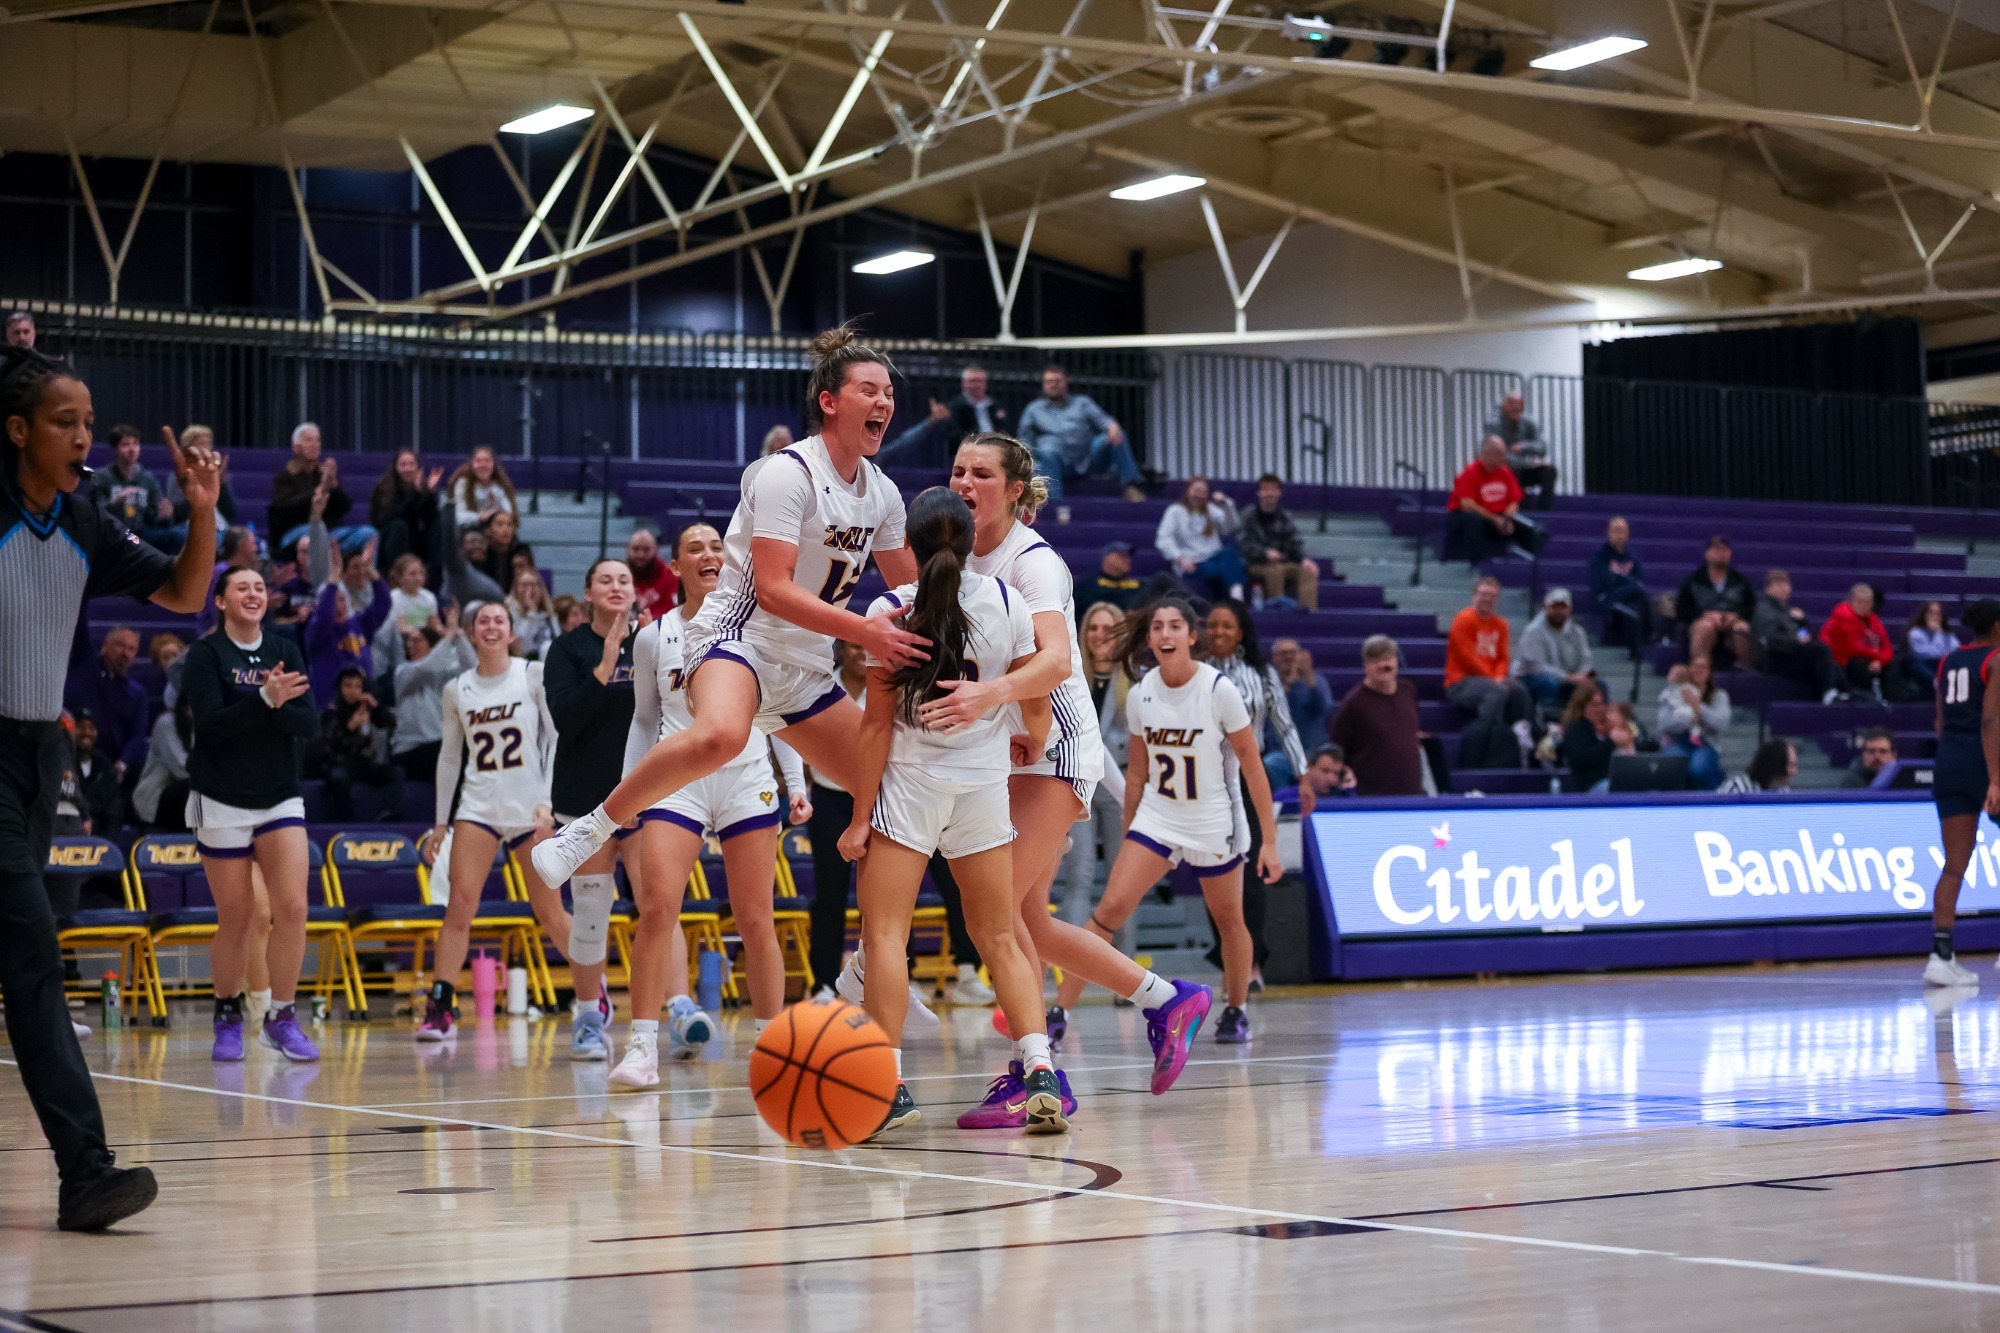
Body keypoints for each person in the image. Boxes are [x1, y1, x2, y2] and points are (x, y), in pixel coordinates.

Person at [1, 348, 222, 1229]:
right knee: (34, 960)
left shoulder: (85, 521)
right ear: (17, 430)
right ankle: (85, 1172)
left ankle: (85, 1173)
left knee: (27, 960)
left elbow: (185, 588)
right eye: (65, 421)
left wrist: (201, 511)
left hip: (36, 758)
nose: (84, 435)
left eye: (89, 421)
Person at [932, 432, 1215, 1098]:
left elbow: (1057, 661)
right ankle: (1166, 999)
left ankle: (1038, 1074)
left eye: (980, 473)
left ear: (1014, 490)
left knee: (990, 914)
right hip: (1008, 749)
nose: (964, 481)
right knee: (1027, 922)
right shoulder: (957, 558)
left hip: (1054, 746)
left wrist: (987, 695)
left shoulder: (1035, 561)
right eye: (957, 470)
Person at [839, 487, 1067, 1133]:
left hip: (912, 789)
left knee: (886, 935)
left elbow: (875, 728)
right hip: (982, 786)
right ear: (971, 542)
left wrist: (859, 816)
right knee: (999, 935)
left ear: (907, 546)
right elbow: (1038, 693)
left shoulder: (890, 610)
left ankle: (889, 1087)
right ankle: (1041, 1069)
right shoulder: (1006, 599)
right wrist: (1033, 736)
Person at [611, 523, 810, 1085]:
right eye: (694, 546)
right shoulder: (654, 637)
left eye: (717, 546)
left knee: (755, 919)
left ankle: (772, 1047)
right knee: (656, 910)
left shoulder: (759, 629)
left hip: (747, 777)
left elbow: (779, 714)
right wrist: (629, 792)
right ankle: (642, 1047)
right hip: (680, 781)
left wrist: (794, 782)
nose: (709, 553)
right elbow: (644, 720)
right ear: (675, 567)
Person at [1053, 597, 1283, 1045]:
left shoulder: (1220, 691)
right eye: (1157, 626)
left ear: (1192, 637)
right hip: (1158, 816)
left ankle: (1235, 1009)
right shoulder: (1141, 693)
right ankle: (1059, 1012)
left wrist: (1268, 841)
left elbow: (1253, 766)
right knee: (1109, 911)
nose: (1164, 634)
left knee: (1229, 918)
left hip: (1214, 818)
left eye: (1175, 626)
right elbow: (1137, 772)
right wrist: (1129, 832)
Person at [417, 601, 575, 1043]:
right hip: (478, 809)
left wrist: (549, 800)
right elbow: (450, 758)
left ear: (511, 631)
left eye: (498, 620)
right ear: (470, 632)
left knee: (550, 911)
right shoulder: (457, 688)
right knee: (459, 908)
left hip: (531, 810)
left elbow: (555, 738)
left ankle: (591, 992)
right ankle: (442, 1008)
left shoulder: (532, 674)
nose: (490, 627)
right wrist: (440, 823)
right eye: (482, 621)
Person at [182, 565, 320, 1066]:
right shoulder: (205, 655)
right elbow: (213, 729)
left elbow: (309, 723)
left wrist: (273, 705)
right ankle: (226, 1015)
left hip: (279, 794)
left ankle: (281, 1018)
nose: (253, 593)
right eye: (241, 587)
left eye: (260, 587)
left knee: (294, 909)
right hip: (218, 797)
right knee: (238, 919)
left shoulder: (284, 649)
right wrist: (264, 700)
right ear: (220, 600)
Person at [541, 558, 647, 1060]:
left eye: (623, 579)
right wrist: (604, 666)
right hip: (585, 799)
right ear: (587, 593)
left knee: (659, 905)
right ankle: (588, 1015)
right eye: (605, 579)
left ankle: (681, 1006)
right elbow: (565, 718)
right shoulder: (566, 650)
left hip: (647, 793)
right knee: (589, 913)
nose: (615, 586)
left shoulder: (652, 641)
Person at [1202, 599, 1309, 991]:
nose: (1218, 632)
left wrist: (1302, 773)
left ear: (1241, 632)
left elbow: (1284, 723)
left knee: (1253, 873)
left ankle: (1252, 965)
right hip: (1208, 779)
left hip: (1250, 777)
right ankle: (1229, 959)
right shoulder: (1196, 673)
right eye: (1212, 625)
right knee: (1214, 874)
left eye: (1226, 625)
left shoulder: (1261, 674)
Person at [1922, 600, 2000, 986]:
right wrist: (1995, 778)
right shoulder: (1997, 660)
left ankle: (1941, 956)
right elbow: (1991, 719)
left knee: (1954, 864)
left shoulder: (1948, 660)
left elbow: (1939, 719)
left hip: (1948, 760)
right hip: (1984, 760)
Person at [1061, 602, 1137, 952]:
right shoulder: (1071, 675)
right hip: (1080, 785)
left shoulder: (1136, 680)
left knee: (1122, 885)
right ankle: (1070, 968)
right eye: (1093, 628)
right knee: (1080, 875)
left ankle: (1127, 973)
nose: (1099, 635)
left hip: (1122, 784)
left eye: (1108, 628)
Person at [804, 639, 867, 992]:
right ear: (842, 649)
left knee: (883, 896)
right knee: (830, 894)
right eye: (857, 648)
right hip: (828, 799)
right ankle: (823, 983)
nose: (863, 653)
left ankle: (897, 976)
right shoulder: (824, 683)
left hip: (874, 801)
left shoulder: (887, 685)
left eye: (867, 648)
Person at [1015, 363, 1146, 502]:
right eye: (1049, 382)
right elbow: (1024, 441)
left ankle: (1131, 486)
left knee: (1116, 434)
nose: (1053, 385)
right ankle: (1054, 504)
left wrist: (1112, 425)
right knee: (1047, 449)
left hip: (1088, 457)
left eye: (1057, 381)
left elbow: (1104, 421)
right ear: (1043, 385)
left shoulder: (1083, 403)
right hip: (1055, 462)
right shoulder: (1033, 409)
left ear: (1066, 382)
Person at [1446, 576, 1533, 758]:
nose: (1487, 599)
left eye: (1492, 596)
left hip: (1491, 678)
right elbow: (1468, 658)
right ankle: (1486, 740)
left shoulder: (1501, 624)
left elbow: (1503, 658)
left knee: (1519, 691)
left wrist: (1500, 677)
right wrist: (1495, 680)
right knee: (1496, 692)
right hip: (1460, 681)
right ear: (1474, 597)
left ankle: (1520, 738)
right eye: (1483, 594)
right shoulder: (1463, 620)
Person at [1329, 636, 1426, 797]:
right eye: (1375, 660)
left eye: (1387, 658)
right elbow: (1337, 748)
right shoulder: (1354, 703)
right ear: (1365, 666)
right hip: (1373, 796)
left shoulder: (1408, 691)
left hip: (1412, 794)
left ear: (1396, 661)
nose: (1383, 665)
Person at [391, 607, 473, 782]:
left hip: (436, 745)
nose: (410, 645)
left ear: (431, 646)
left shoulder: (443, 675)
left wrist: (457, 634)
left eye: (417, 641)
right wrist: (448, 637)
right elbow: (425, 667)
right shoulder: (403, 672)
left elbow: (472, 669)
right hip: (410, 748)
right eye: (410, 642)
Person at [305, 544, 391, 705]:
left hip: (362, 703)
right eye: (333, 601)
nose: (339, 606)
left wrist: (371, 570)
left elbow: (383, 604)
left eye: (342, 599)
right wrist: (334, 578)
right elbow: (323, 616)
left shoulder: (359, 623)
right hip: (330, 707)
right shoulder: (318, 631)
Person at [318, 667, 405, 822]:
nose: (353, 691)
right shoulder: (332, 711)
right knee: (338, 778)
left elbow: (389, 723)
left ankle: (387, 813)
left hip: (364, 762)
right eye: (348, 686)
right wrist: (349, 727)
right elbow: (328, 745)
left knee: (396, 773)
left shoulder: (365, 707)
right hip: (341, 762)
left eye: (357, 686)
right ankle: (347, 822)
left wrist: (376, 706)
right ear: (340, 688)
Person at [63, 625, 148, 781]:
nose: (125, 653)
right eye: (120, 645)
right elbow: (79, 628)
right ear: (105, 646)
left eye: (131, 649)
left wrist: (123, 762)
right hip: (71, 757)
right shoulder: (86, 667)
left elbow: (138, 736)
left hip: (111, 767)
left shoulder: (137, 693)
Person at [1752, 569, 1840, 705]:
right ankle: (1829, 692)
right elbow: (1770, 638)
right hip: (1775, 657)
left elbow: (1802, 635)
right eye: (1778, 585)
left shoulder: (1787, 610)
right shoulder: (1764, 608)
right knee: (1822, 651)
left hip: (1791, 652)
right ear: (1768, 589)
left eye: (1786, 584)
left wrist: (1801, 622)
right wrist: (1795, 641)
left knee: (1831, 664)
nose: (1784, 588)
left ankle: (1838, 694)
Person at [90, 423, 182, 552]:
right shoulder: (101, 477)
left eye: (135, 444)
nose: (132, 449)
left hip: (141, 535)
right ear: (115, 449)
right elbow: (94, 513)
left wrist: (165, 515)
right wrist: (115, 502)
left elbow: (154, 519)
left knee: (180, 534)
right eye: (126, 444)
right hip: (113, 534)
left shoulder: (147, 478)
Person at [268, 423, 360, 549]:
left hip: (329, 531)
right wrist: (318, 491)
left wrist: (334, 486)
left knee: (368, 534)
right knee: (313, 532)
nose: (314, 445)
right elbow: (284, 509)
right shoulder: (285, 477)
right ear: (296, 447)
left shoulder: (324, 474)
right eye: (308, 440)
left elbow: (345, 508)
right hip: (296, 532)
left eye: (317, 440)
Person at [1238, 474, 1322, 611]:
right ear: (1259, 493)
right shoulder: (1248, 515)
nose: (1269, 493)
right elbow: (1245, 544)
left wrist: (1304, 559)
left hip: (1283, 562)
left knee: (1307, 571)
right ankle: (1278, 614)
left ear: (1279, 493)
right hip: (1256, 563)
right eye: (1265, 489)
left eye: (1273, 489)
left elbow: (1295, 542)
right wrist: (1265, 553)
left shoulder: (1285, 517)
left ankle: (1309, 614)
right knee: (1275, 571)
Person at [1156, 476, 1246, 603]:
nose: (1199, 495)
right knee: (1230, 567)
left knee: (1230, 553)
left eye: (1203, 492)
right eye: (1196, 491)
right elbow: (1163, 539)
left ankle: (1237, 597)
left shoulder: (1210, 509)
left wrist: (1226, 503)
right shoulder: (1175, 511)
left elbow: (1231, 527)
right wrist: (1180, 557)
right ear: (1187, 491)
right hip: (1193, 564)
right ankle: (1236, 598)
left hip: (1214, 558)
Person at [1445, 437, 1529, 564]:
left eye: (1504, 453)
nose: (1504, 457)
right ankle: (1477, 563)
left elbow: (1514, 501)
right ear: (1486, 454)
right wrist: (1495, 519)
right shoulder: (1470, 472)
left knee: (1530, 528)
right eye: (1500, 454)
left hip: (1498, 517)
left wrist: (1507, 519)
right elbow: (1467, 505)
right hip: (1472, 518)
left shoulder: (1505, 472)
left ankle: (1528, 566)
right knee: (1473, 520)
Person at [1675, 536, 1756, 666]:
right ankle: (1699, 671)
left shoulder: (1741, 581)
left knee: (1742, 629)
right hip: (1704, 622)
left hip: (1732, 624)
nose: (1721, 554)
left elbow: (1751, 607)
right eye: (1717, 549)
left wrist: (1737, 615)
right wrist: (1704, 615)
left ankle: (1746, 672)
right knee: (1704, 627)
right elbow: (1682, 609)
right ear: (1707, 553)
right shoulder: (1694, 580)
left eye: (1725, 550)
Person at [1514, 587, 1595, 707]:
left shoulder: (1577, 631)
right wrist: (1568, 677)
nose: (1558, 611)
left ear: (1570, 609)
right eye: (1554, 607)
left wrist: (1583, 675)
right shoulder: (1533, 631)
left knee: (1598, 685)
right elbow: (1536, 667)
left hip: (1568, 677)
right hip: (1530, 677)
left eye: (1562, 607)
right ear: (1545, 607)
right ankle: (1546, 721)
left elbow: (1586, 660)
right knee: (1549, 684)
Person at [1657, 658, 1730, 790]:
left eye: (1703, 667)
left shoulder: (1719, 695)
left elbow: (1720, 724)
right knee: (1675, 766)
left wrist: (1698, 707)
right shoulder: (1674, 692)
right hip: (1677, 740)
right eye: (1695, 666)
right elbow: (1663, 723)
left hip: (1705, 742)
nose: (1698, 670)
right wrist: (1686, 720)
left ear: (1709, 672)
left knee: (1698, 768)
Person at [370, 448, 443, 569]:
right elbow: (392, 517)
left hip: (414, 539)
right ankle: (395, 573)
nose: (408, 469)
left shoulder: (422, 488)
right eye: (403, 465)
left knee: (437, 525)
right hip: (389, 536)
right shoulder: (384, 488)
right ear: (396, 467)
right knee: (400, 526)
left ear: (417, 468)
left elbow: (430, 518)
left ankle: (434, 571)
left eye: (411, 464)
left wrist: (428, 493)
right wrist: (417, 494)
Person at [1821, 582, 1894, 700]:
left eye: (1867, 602)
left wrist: (1879, 661)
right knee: (1858, 663)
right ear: (1851, 602)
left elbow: (1887, 648)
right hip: (1844, 662)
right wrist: (1875, 654)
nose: (1864, 606)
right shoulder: (1843, 616)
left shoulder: (1874, 620)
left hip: (1868, 660)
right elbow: (1852, 647)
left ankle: (1890, 700)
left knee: (1892, 665)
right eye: (1860, 602)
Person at [133, 695, 194, 831]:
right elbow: (181, 769)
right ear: (185, 707)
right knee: (194, 788)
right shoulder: (166, 723)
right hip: (156, 795)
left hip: (185, 797)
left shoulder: (200, 725)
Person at [1485, 392, 1554, 509]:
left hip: (1524, 471)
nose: (1516, 408)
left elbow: (1542, 448)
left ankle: (1544, 511)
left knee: (1549, 471)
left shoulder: (1530, 422)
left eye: (1518, 404)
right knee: (1501, 466)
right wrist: (1528, 463)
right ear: (1504, 406)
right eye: (1511, 404)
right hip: (1503, 471)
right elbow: (1498, 455)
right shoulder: (1494, 423)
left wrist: (1524, 446)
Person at [1589, 516, 1651, 647]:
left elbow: (1639, 581)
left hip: (1629, 599)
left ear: (1628, 534)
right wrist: (1627, 585)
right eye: (1616, 530)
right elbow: (1600, 583)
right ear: (1608, 533)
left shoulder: (1632, 557)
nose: (1619, 535)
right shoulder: (1600, 556)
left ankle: (1639, 646)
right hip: (1608, 597)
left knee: (1638, 603)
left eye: (1622, 531)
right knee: (1636, 595)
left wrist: (1623, 583)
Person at [1271, 638, 1331, 755]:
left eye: (1293, 653)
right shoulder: (1267, 682)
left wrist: (1309, 676)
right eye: (1283, 653)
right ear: (1274, 659)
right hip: (1279, 751)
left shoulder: (1317, 681)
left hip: (1312, 751)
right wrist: (1289, 682)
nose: (1288, 657)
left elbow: (1324, 708)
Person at [1557, 681, 1616, 793]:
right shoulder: (1575, 729)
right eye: (1594, 705)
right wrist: (1610, 743)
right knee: (1610, 788)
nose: (1599, 709)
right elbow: (1582, 760)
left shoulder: (1609, 727)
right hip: (1588, 787)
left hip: (1609, 780)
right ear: (1582, 706)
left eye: (1601, 704)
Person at [448, 445, 519, 530]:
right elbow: (458, 516)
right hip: (470, 531)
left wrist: (494, 511)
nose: (483, 465)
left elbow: (509, 514)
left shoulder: (500, 486)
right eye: (478, 461)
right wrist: (479, 516)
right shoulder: (463, 484)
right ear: (472, 464)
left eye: (487, 461)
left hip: (495, 532)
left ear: (494, 465)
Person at [1904, 600, 1959, 701]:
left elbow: (1957, 651)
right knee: (1914, 658)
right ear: (1924, 615)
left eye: (1938, 614)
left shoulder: (1947, 635)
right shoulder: (1916, 632)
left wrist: (1939, 633)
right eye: (1931, 613)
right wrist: (1939, 634)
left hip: (1944, 665)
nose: (1934, 617)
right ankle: (1937, 681)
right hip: (1926, 668)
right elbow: (1930, 654)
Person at [1075, 541, 1144, 619]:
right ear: (1106, 558)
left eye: (1128, 556)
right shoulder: (1086, 587)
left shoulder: (1140, 587)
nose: (1127, 559)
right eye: (1121, 555)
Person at [624, 526, 679, 619]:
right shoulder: (619, 577)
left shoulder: (671, 578)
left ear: (657, 551)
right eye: (636, 549)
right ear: (628, 550)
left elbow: (673, 615)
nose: (641, 555)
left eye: (646, 550)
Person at [508, 568, 558, 658]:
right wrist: (531, 613)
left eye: (535, 585)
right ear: (516, 589)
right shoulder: (510, 613)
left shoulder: (549, 616)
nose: (530, 590)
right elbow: (517, 649)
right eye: (524, 585)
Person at [1717, 739, 1798, 795]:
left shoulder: (1784, 793)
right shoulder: (1736, 788)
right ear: (1776, 766)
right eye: (1791, 765)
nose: (1795, 772)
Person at [386, 554, 439, 634]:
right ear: (399, 577)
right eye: (412, 574)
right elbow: (400, 627)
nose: (418, 578)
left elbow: (434, 625)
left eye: (421, 573)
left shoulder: (429, 597)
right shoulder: (394, 597)